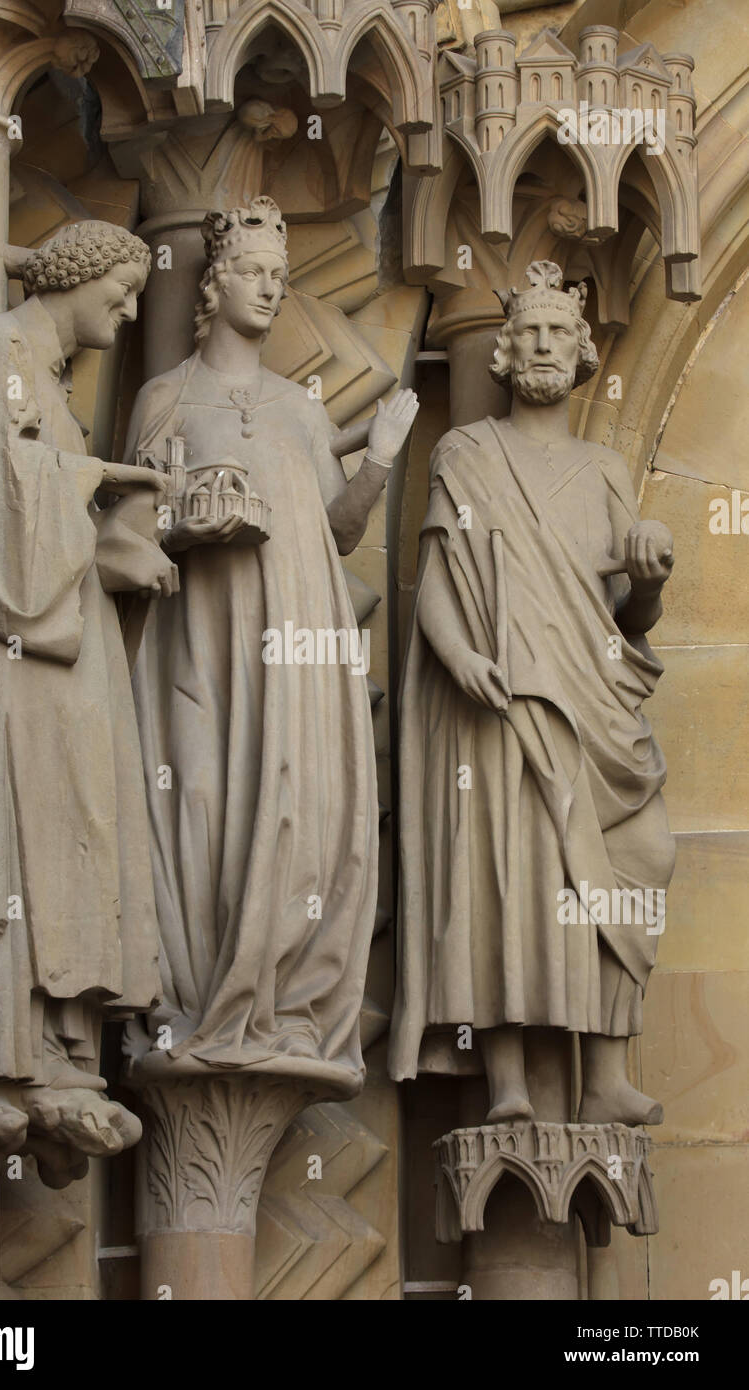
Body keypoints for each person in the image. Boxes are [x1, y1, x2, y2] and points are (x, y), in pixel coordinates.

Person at [123, 196, 418, 1094]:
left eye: (280, 278)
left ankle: (282, 998)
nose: (268, 287)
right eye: (251, 271)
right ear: (212, 282)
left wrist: (379, 459)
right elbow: (130, 526)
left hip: (298, 642)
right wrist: (186, 522)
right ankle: (197, 994)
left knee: (292, 804)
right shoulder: (165, 395)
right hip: (201, 643)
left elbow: (337, 529)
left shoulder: (299, 408)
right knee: (201, 798)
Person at [389, 261, 675, 1127]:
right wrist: (457, 655)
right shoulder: (468, 453)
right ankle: (506, 1081)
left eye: (560, 330)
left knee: (641, 856)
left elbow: (632, 615)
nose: (546, 343)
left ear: (584, 348)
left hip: (595, 702)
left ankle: (605, 1077)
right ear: (505, 351)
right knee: (508, 878)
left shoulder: (603, 468)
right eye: (532, 331)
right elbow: (436, 571)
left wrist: (651, 571)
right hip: (504, 697)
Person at [0, 221, 175, 1178]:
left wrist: (126, 543)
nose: (127, 309)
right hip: (22, 658)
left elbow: (48, 512)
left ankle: (68, 1052)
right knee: (23, 834)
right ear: (78, 276)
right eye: (120, 291)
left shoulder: (55, 383)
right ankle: (2, 1052)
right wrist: (100, 479)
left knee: (82, 836)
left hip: (73, 656)